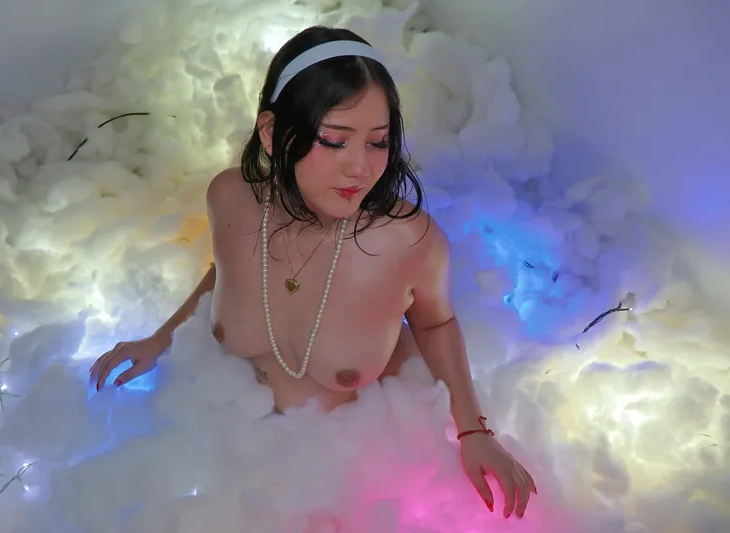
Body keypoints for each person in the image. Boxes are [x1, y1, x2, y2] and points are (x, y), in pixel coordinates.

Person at [90, 25, 537, 520]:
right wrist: (161, 339)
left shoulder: (408, 242)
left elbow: (435, 324)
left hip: (353, 471)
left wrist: (473, 432)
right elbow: (228, 270)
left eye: (378, 142)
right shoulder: (231, 199)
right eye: (335, 141)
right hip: (236, 445)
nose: (360, 168)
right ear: (272, 133)